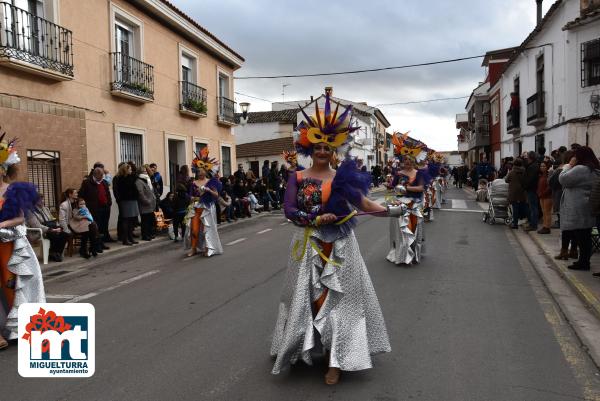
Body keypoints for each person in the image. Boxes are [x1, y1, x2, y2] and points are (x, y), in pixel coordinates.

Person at [271, 94, 391, 385]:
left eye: (328, 146)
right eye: (318, 146)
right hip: (307, 243)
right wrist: (314, 219)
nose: (323, 150)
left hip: (340, 245)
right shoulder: (297, 177)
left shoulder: (342, 177)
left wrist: (392, 211)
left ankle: (336, 360)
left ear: (334, 149)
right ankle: (301, 346)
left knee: (338, 301)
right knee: (304, 300)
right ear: (310, 148)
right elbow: (289, 209)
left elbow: (363, 205)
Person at [0, 137, 45, 349]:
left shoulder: (13, 191)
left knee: (11, 286)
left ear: (3, 169)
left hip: (8, 246)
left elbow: (19, 218)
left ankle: (18, 328)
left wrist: (2, 223)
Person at [386, 136, 426, 265]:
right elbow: (393, 187)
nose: (407, 162)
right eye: (405, 160)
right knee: (403, 231)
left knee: (414, 230)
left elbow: (421, 187)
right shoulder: (398, 173)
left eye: (410, 160)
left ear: (414, 161)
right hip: (401, 205)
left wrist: (407, 188)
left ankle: (414, 255)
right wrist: (390, 186)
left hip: (415, 205)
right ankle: (403, 256)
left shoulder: (419, 173)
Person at [559, 146, 599, 271]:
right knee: (585, 236)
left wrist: (568, 166)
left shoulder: (581, 169)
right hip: (586, 206)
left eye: (576, 155)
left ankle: (583, 262)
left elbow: (563, 179)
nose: (574, 158)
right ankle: (583, 260)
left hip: (578, 207)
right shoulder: (594, 169)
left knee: (582, 237)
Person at [184, 147, 223, 257]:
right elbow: (189, 194)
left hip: (207, 208)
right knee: (194, 230)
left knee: (207, 230)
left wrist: (209, 190)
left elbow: (216, 195)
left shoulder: (211, 182)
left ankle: (208, 248)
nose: (200, 172)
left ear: (206, 171)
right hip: (195, 208)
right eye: (199, 171)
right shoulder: (193, 183)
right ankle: (193, 248)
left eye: (202, 171)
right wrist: (191, 198)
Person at [26, 192, 70, 262]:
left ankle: (55, 252)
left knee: (65, 234)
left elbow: (52, 219)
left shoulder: (46, 209)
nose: (43, 201)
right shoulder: (30, 212)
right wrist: (52, 229)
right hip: (38, 232)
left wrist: (58, 226)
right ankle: (55, 253)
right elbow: (36, 225)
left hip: (50, 228)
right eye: (40, 200)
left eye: (43, 199)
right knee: (53, 235)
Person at [78, 167, 112, 251]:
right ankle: (96, 246)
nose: (102, 177)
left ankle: (101, 243)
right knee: (96, 228)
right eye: (100, 176)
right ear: (95, 174)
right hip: (94, 209)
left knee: (103, 228)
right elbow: (81, 195)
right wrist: (85, 207)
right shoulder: (87, 183)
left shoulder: (104, 182)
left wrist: (109, 203)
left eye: (102, 175)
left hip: (105, 208)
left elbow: (107, 194)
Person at [112, 162, 139, 246]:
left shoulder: (131, 177)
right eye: (130, 169)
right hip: (125, 201)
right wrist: (119, 199)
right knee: (126, 220)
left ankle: (130, 238)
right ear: (125, 170)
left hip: (132, 200)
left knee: (131, 220)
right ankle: (125, 239)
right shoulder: (119, 178)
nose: (131, 170)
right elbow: (116, 190)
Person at [135, 166, 157, 241]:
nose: (146, 172)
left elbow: (151, 190)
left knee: (149, 220)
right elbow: (140, 193)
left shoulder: (147, 180)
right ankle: (145, 235)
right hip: (145, 204)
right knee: (145, 221)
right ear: (140, 172)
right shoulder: (139, 181)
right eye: (144, 171)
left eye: (146, 171)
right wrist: (146, 201)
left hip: (151, 204)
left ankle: (149, 234)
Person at [505, 158, 527, 229]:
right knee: (523, 206)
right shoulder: (524, 171)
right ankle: (524, 219)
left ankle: (515, 224)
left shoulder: (511, 172)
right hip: (522, 191)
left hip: (513, 192)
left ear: (514, 164)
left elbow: (506, 180)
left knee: (515, 208)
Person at [523, 151, 540, 231]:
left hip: (532, 189)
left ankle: (533, 225)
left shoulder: (533, 166)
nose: (526, 158)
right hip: (532, 188)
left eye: (527, 156)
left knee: (533, 207)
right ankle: (532, 223)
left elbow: (530, 179)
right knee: (533, 207)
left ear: (530, 157)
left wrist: (525, 186)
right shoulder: (533, 165)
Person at [537, 160, 553, 234]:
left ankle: (547, 227)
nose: (542, 167)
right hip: (541, 196)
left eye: (544, 166)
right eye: (541, 166)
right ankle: (544, 226)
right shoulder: (541, 175)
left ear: (547, 167)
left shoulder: (549, 175)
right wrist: (539, 193)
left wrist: (543, 193)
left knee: (547, 212)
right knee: (544, 212)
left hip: (548, 196)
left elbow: (550, 186)